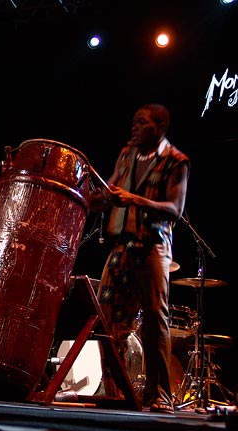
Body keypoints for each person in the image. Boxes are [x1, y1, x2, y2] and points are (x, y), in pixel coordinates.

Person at [90, 103, 190, 414]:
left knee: (154, 321)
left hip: (152, 248)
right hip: (121, 248)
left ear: (159, 127)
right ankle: (116, 391)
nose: (133, 126)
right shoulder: (126, 154)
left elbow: (175, 209)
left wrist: (134, 199)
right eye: (133, 121)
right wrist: (88, 196)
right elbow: (109, 194)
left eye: (141, 122)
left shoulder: (176, 161)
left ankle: (159, 395)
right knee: (104, 317)